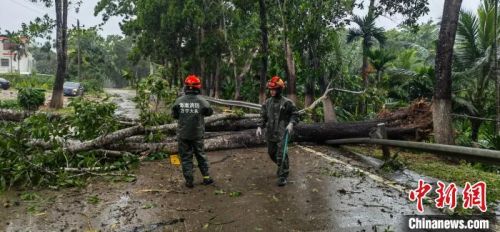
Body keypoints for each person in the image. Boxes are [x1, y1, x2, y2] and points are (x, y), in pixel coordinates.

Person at [172, 74, 214, 188]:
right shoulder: (202, 101)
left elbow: (175, 115)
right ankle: (206, 178)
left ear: (185, 87)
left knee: (185, 157)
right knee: (200, 155)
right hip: (197, 134)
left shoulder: (178, 101)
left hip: (183, 134)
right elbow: (209, 112)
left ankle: (189, 181)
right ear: (198, 87)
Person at [256, 76, 299, 186]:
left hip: (282, 133)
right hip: (270, 132)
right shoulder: (267, 103)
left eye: (274, 89)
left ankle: (283, 176)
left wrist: (291, 123)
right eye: (270, 89)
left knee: (281, 154)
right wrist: (259, 127)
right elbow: (263, 116)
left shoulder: (287, 103)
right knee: (271, 153)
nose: (272, 91)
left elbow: (295, 114)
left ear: (280, 89)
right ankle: (282, 166)